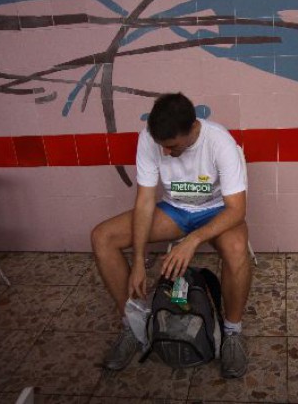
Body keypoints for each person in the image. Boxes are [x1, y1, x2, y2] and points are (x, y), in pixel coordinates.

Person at [91, 92, 251, 378]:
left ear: (192, 129)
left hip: (216, 211)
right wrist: (138, 260)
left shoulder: (219, 141)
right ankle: (133, 326)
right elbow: (144, 201)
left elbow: (237, 210)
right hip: (175, 210)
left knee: (237, 248)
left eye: (172, 146)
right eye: (161, 146)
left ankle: (232, 332)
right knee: (102, 237)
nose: (165, 152)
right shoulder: (149, 139)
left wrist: (193, 240)